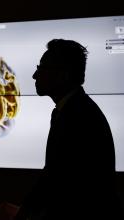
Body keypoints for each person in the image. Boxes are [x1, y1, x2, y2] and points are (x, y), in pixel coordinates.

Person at [14, 39, 123, 219]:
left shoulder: (78, 116)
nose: (34, 75)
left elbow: (58, 181)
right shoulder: (73, 109)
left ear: (62, 75)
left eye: (41, 68)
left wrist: (23, 214)